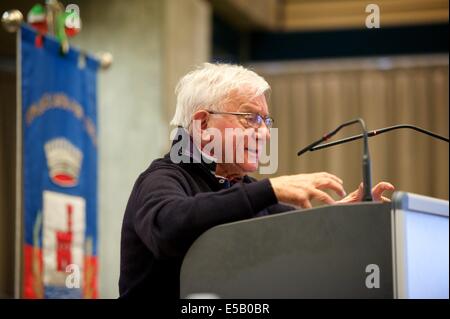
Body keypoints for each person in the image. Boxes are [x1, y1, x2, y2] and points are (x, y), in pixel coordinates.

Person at [119, 63, 394, 298]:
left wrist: (338, 219)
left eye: (266, 121)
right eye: (250, 118)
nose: (264, 134)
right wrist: (271, 188)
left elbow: (295, 236)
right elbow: (169, 228)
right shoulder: (162, 177)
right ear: (203, 125)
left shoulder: (246, 189)